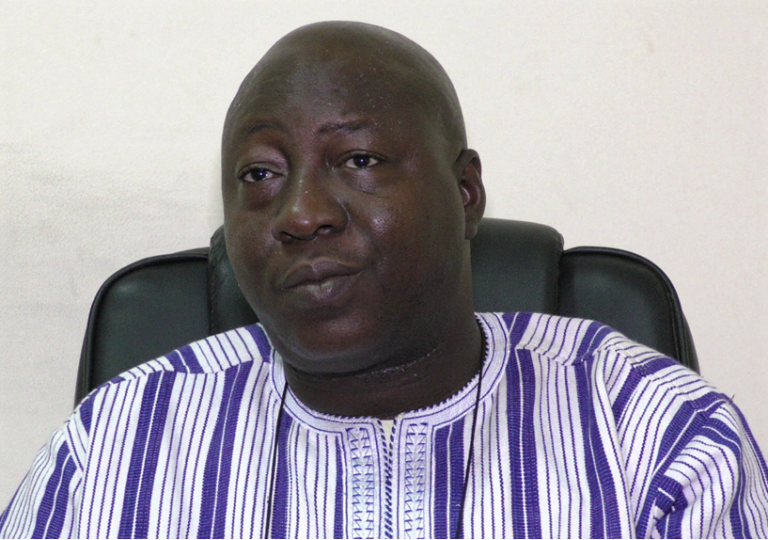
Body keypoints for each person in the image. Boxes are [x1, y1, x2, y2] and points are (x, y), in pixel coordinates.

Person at [1, 21, 767, 539]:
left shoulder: (660, 441)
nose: (301, 214)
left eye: (358, 160)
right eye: (260, 175)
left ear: (465, 193)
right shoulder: (114, 448)